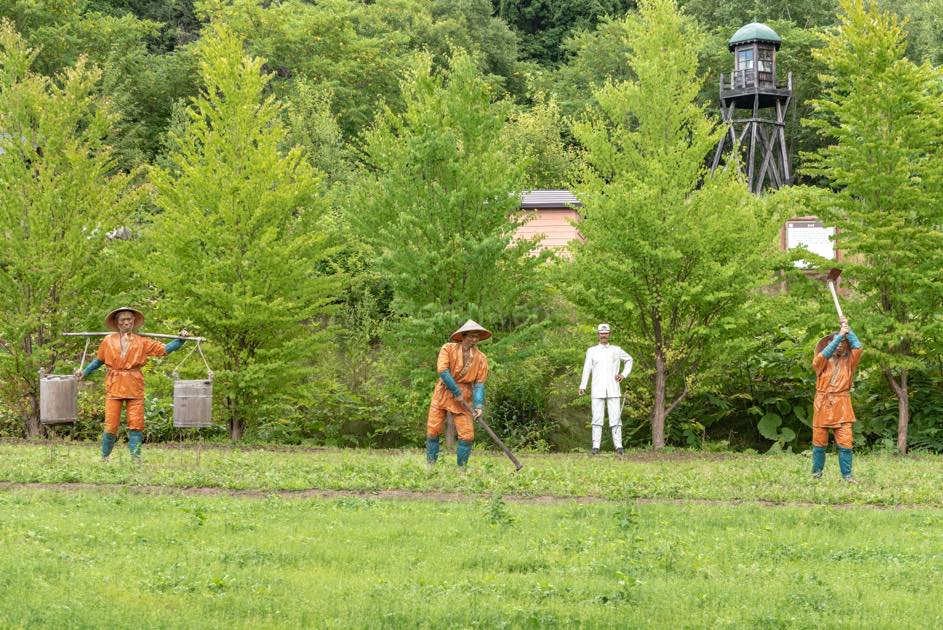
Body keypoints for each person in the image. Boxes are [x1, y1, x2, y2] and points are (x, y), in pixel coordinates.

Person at [76, 307, 188, 462]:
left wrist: (180, 340)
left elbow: (164, 349)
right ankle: (104, 456)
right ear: (117, 322)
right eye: (123, 319)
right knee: (111, 423)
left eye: (129, 319)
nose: (126, 322)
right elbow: (99, 360)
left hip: (134, 384)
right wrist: (85, 372)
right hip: (114, 384)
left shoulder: (142, 341)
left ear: (134, 321)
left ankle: (136, 458)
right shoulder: (108, 340)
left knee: (136, 422)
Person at [425, 320, 490, 469]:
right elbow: (442, 370)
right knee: (433, 430)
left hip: (464, 397)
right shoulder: (448, 349)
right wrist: (455, 391)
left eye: (477, 336)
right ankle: (430, 466)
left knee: (467, 435)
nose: (475, 339)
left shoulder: (481, 358)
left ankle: (461, 469)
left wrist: (478, 406)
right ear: (463, 336)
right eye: (472, 336)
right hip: (443, 392)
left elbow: (479, 384)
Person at [811, 316, 863, 482]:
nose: (840, 345)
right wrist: (839, 335)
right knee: (819, 442)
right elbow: (823, 355)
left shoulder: (849, 363)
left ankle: (847, 476)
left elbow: (858, 347)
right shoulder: (821, 362)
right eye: (837, 342)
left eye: (843, 343)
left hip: (842, 406)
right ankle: (816, 474)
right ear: (830, 344)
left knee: (846, 442)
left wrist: (848, 329)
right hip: (822, 405)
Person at [579, 323, 633, 455]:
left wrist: (623, 374)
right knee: (597, 419)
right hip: (597, 389)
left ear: (609, 334)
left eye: (606, 333)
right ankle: (595, 446)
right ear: (598, 334)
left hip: (613, 389)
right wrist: (583, 386)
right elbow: (587, 369)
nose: (604, 335)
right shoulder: (591, 351)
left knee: (616, 418)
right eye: (601, 333)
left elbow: (629, 360)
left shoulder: (617, 350)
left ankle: (619, 446)